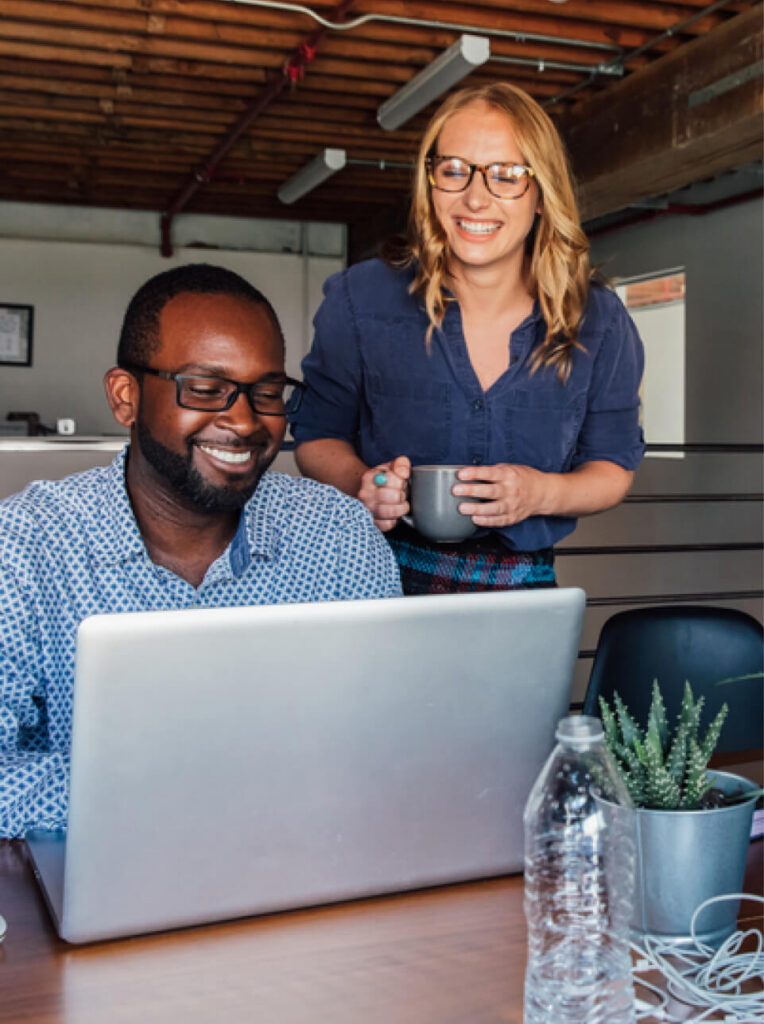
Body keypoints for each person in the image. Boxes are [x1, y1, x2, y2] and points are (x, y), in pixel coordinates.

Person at [0, 263, 401, 838]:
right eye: (206, 389)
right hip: (110, 881)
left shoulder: (338, 536)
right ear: (126, 397)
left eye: (266, 393)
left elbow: (390, 737)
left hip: (305, 862)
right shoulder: (24, 548)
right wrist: (175, 792)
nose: (243, 421)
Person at [292, 82, 645, 595]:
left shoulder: (601, 320)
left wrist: (539, 493)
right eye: (454, 170)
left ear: (542, 195)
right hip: (374, 574)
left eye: (507, 176)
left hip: (522, 587)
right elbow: (318, 438)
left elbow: (612, 468)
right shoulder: (359, 298)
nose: (475, 198)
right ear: (429, 181)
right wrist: (362, 485)